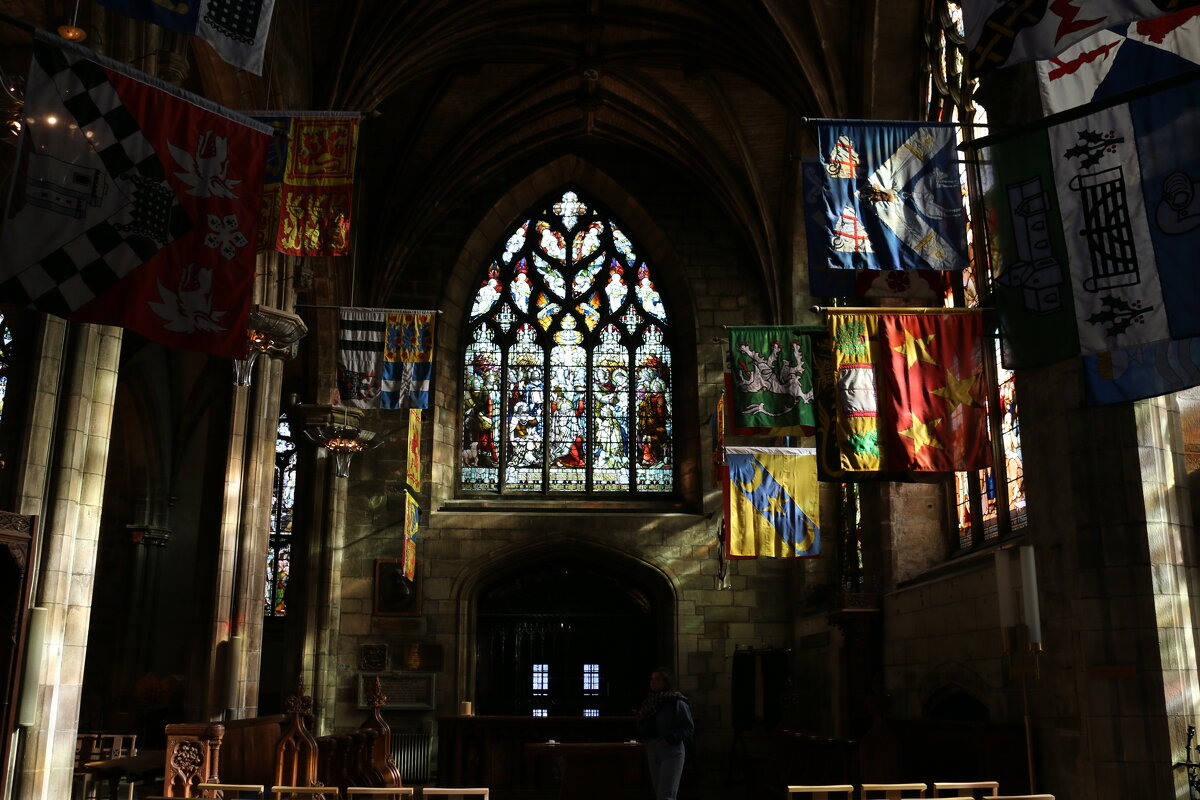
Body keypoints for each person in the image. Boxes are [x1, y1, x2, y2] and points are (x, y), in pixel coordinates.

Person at [634, 668, 694, 800]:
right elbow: (648, 729)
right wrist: (641, 720)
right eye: (651, 679)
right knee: (659, 793)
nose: (653, 682)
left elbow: (688, 727)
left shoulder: (676, 701)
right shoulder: (649, 703)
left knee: (666, 795)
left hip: (671, 749)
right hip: (653, 749)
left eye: (657, 679)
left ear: (665, 682)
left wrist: (671, 738)